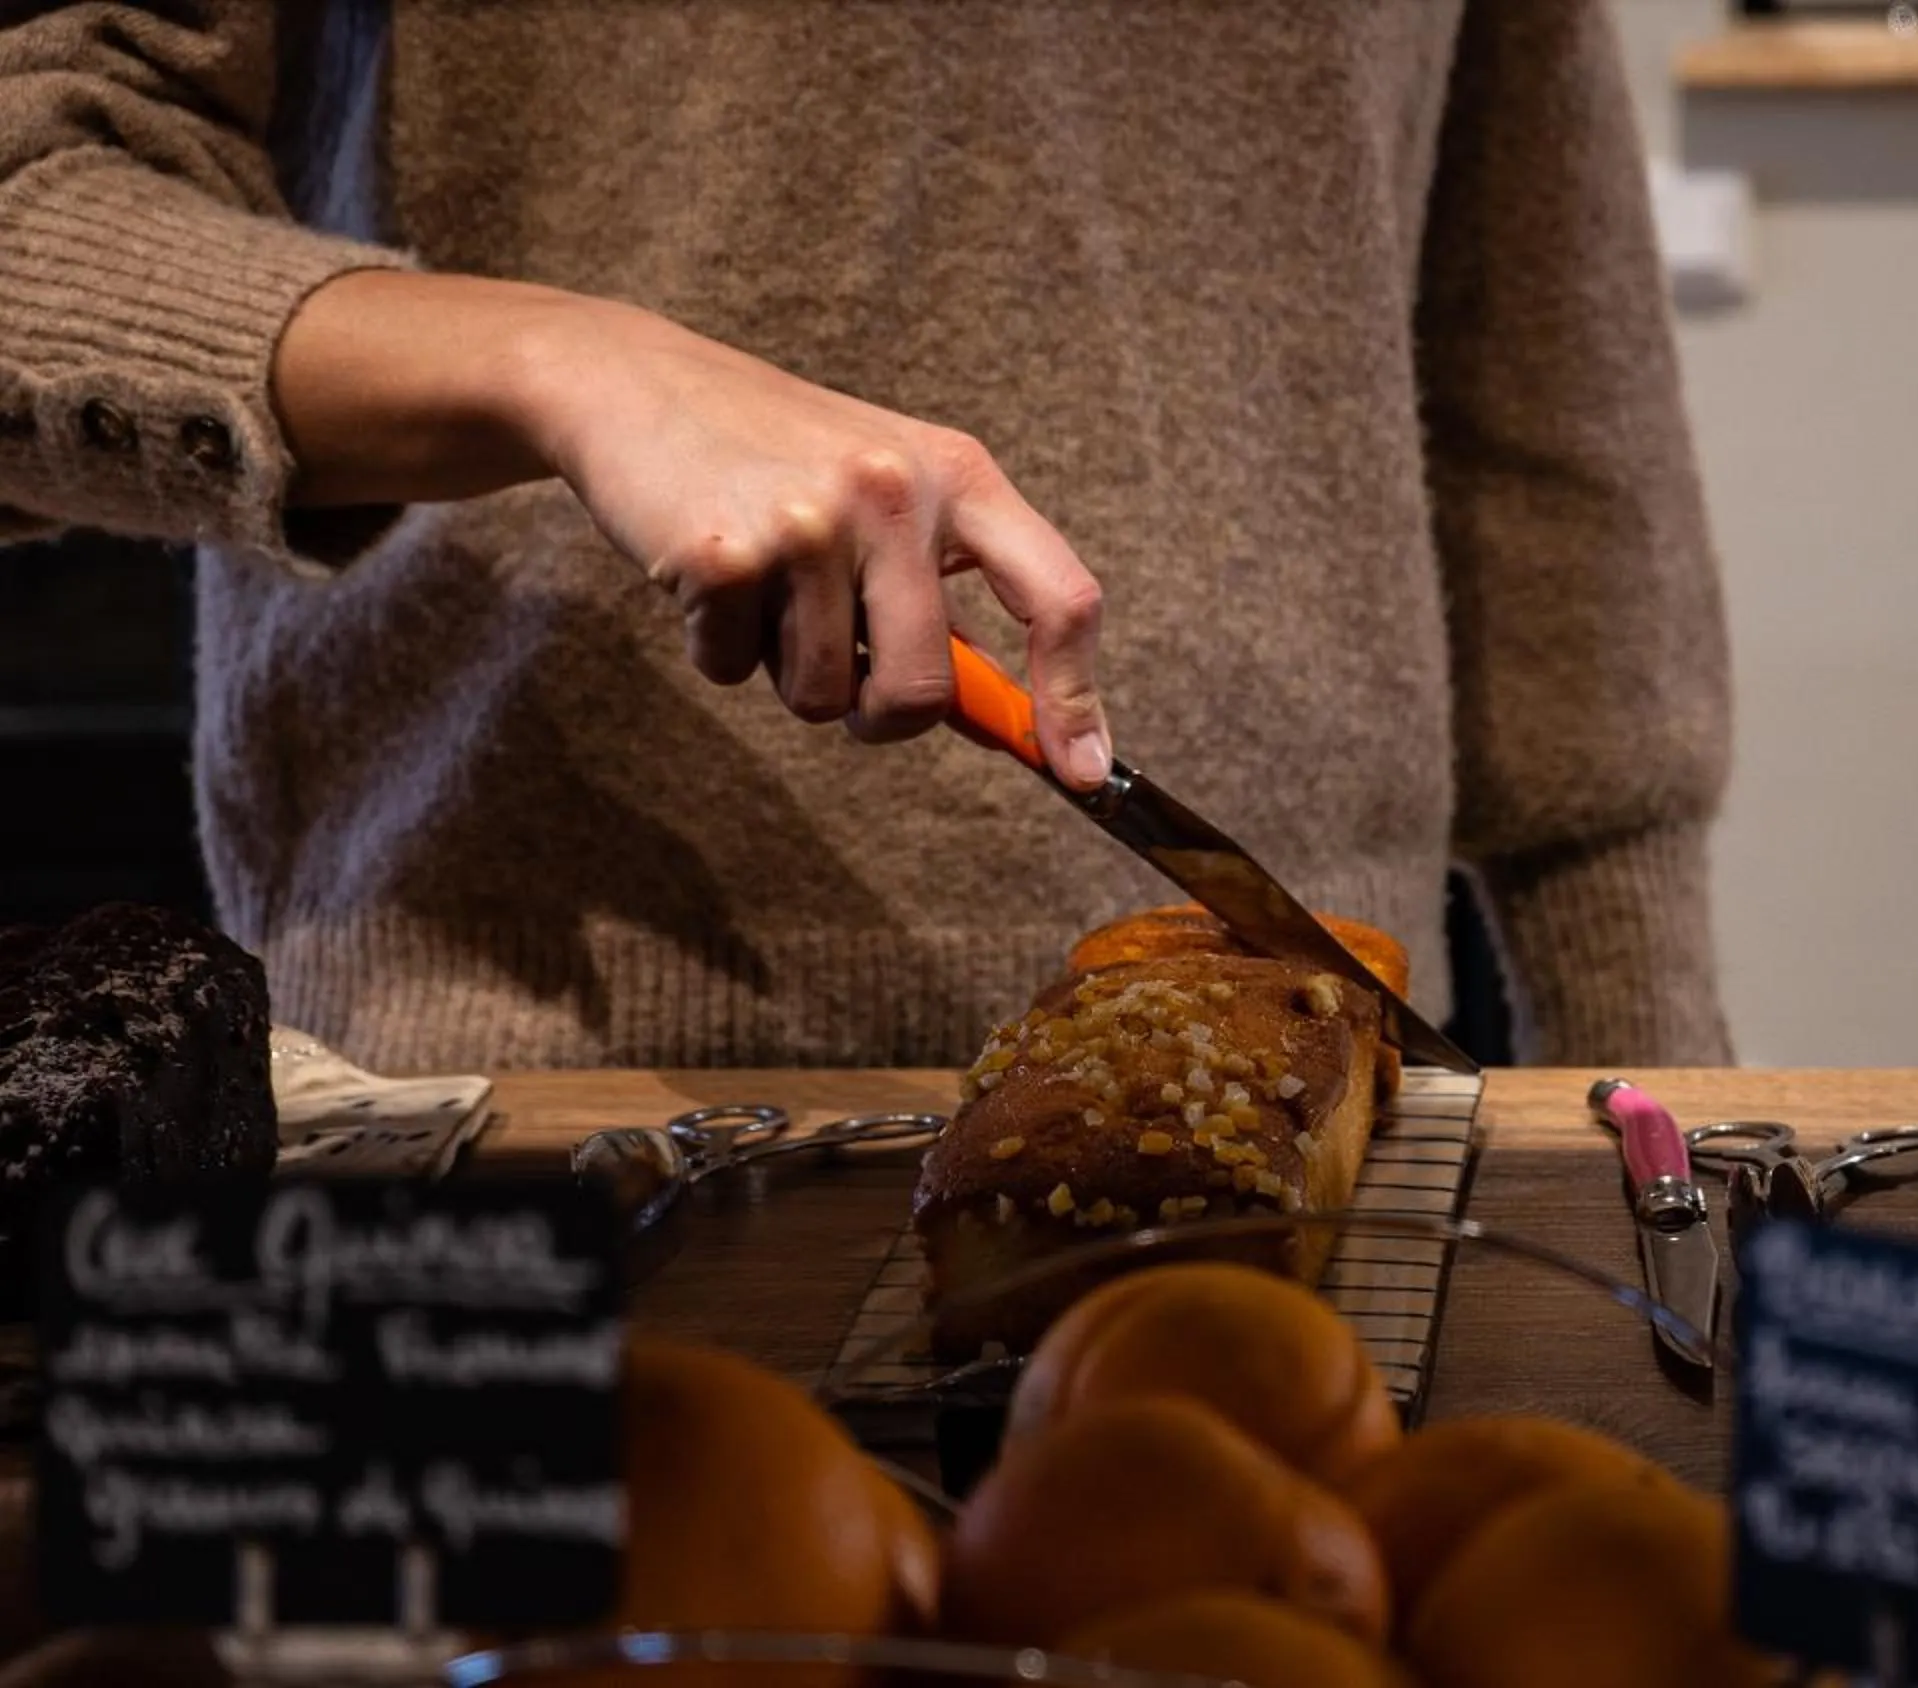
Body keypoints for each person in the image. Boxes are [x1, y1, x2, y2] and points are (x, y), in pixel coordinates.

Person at [0, 2, 1734, 1071]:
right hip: (516, 1122)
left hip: (1291, 1083)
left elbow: (1541, 347)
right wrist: (574, 366)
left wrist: (1655, 1074)